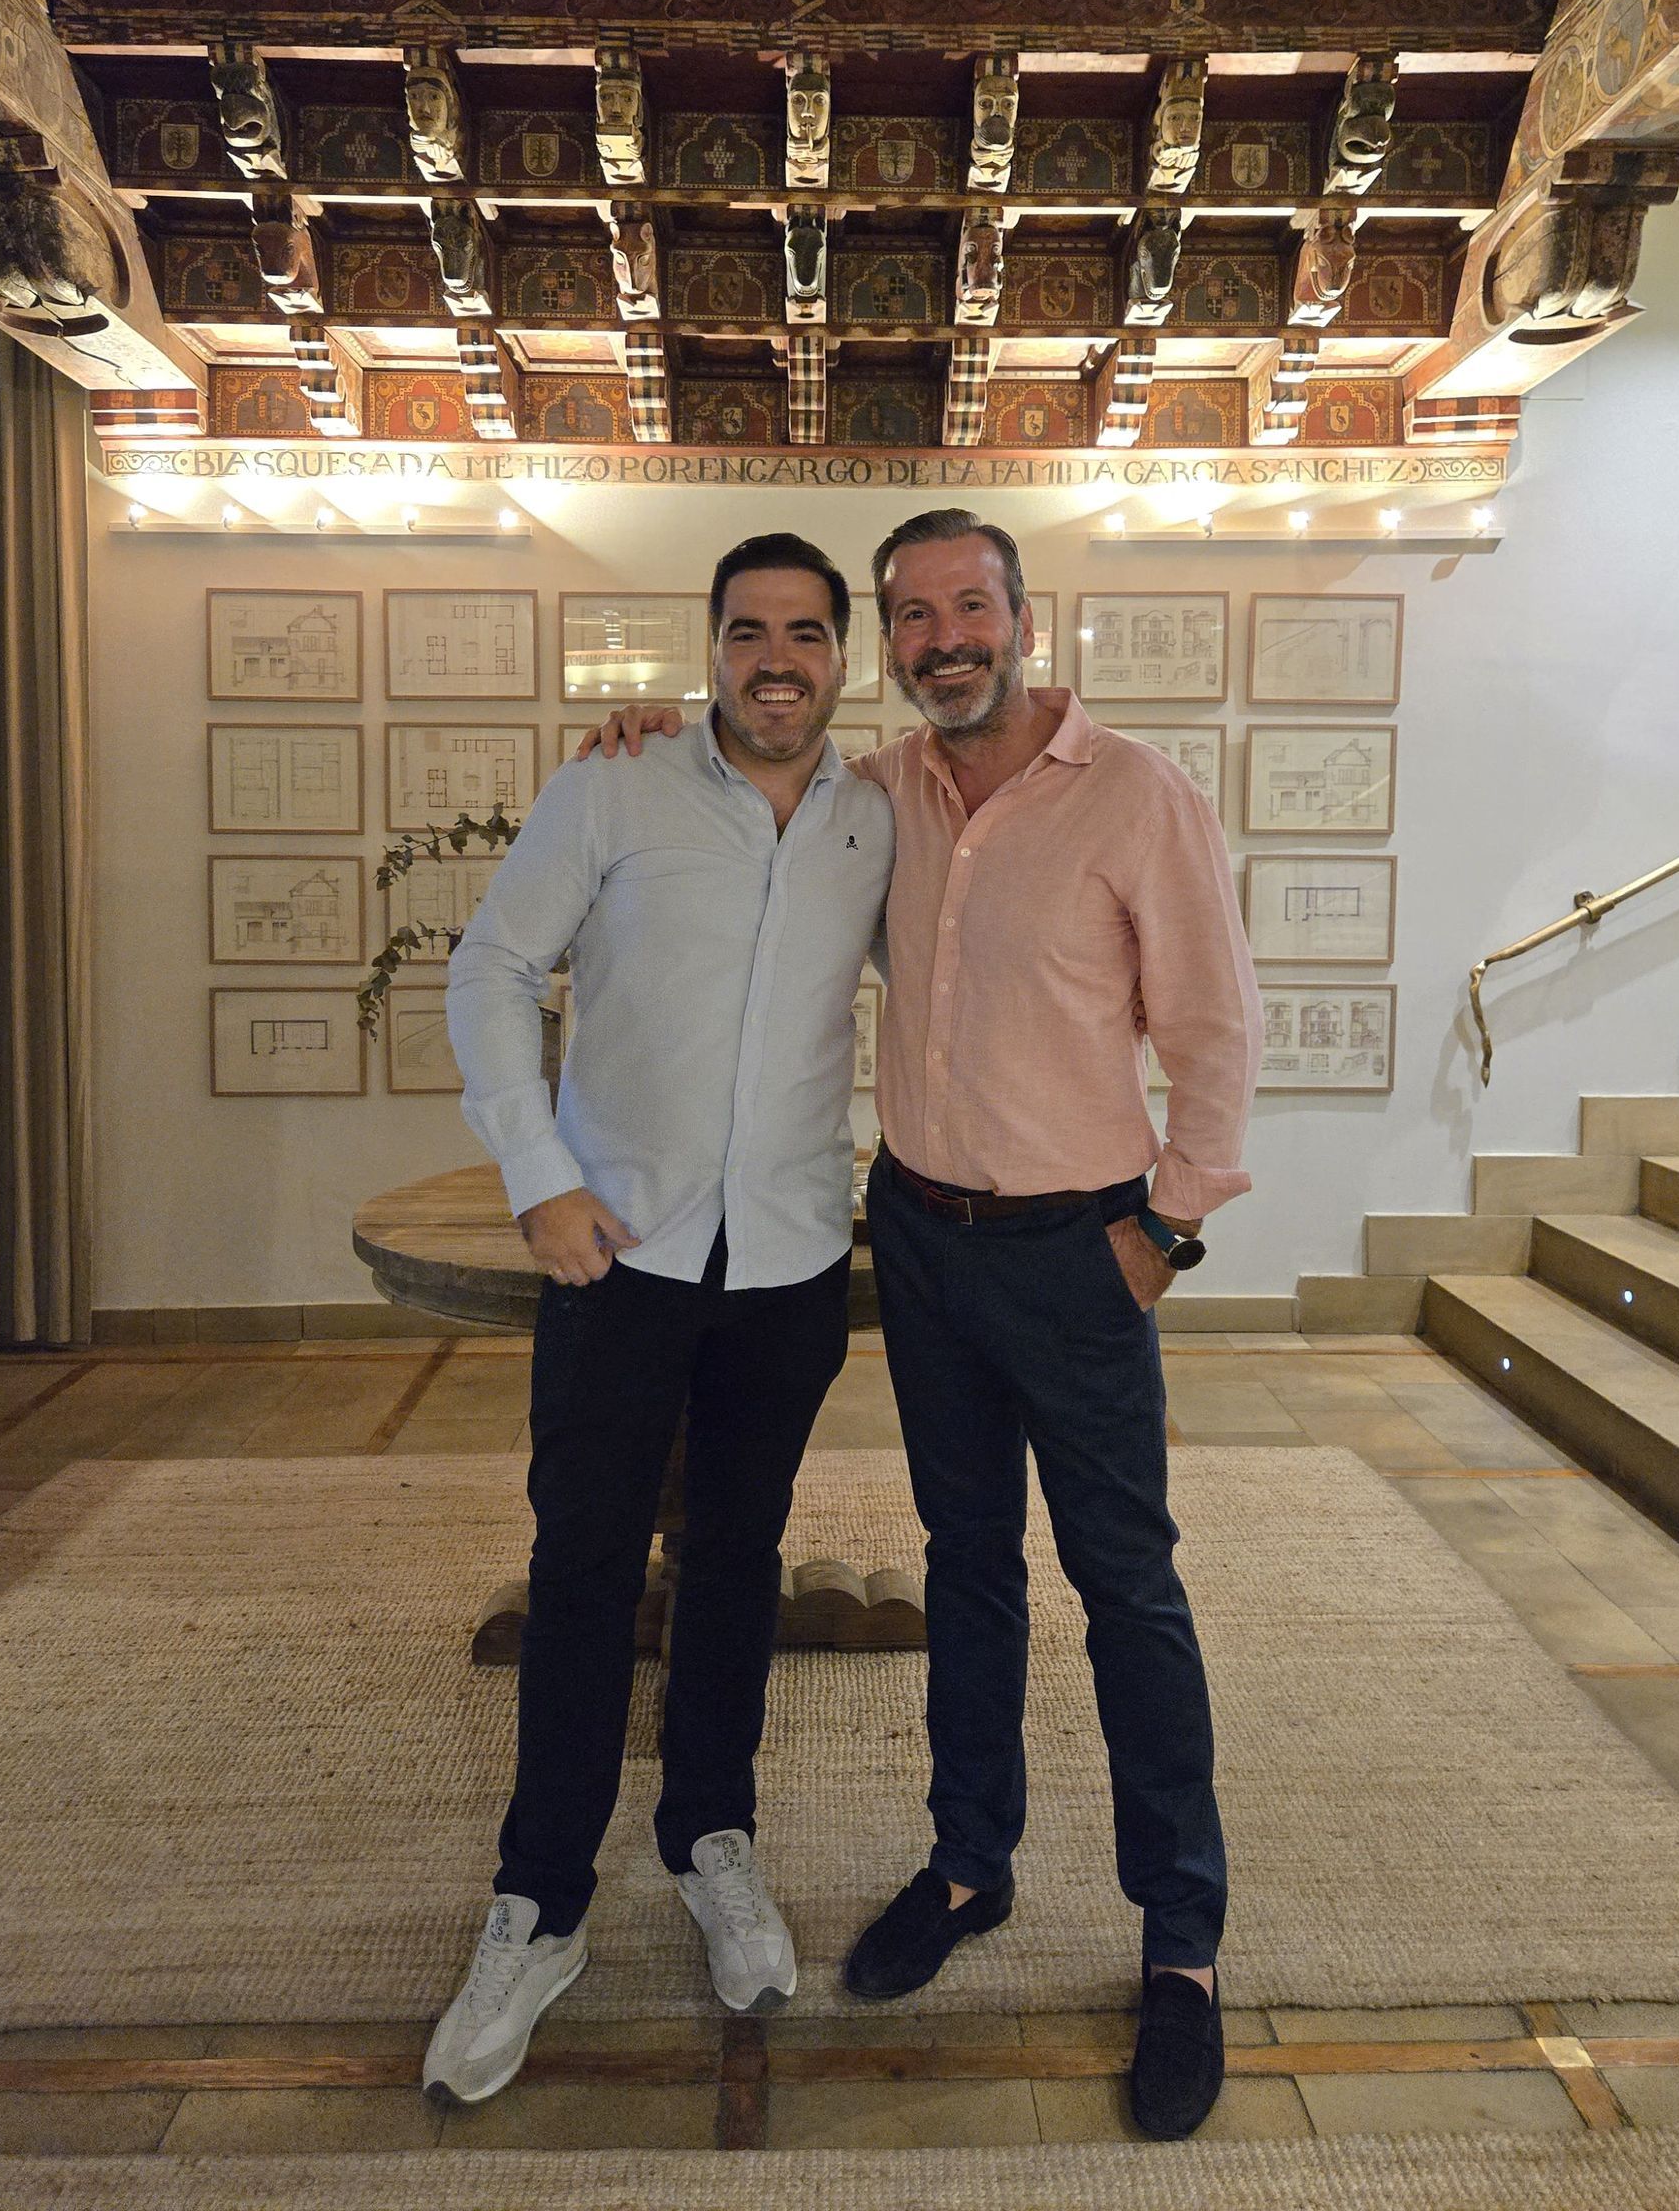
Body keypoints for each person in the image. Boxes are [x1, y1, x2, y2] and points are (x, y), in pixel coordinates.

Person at [583, 507, 1260, 2139]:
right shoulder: (878, 792)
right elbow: (749, 741)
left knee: (1126, 1590)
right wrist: (653, 729)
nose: (945, 636)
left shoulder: (1138, 796)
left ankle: (1182, 1949)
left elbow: (1217, 1030)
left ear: (1025, 616)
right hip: (925, 1244)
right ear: (889, 639)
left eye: (971, 606)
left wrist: (1164, 1229)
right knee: (968, 1567)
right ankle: (970, 1865)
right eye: (913, 615)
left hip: (1079, 1254)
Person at [426, 532, 893, 2104]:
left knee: (740, 1565)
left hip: (784, 1265)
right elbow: (492, 967)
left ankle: (710, 1838)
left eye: (808, 633)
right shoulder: (612, 786)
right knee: (579, 1574)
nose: (780, 658)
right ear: (710, 651)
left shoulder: (880, 818)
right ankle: (540, 1902)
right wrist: (537, 1171)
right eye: (750, 630)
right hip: (613, 1258)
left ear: (847, 656)